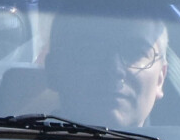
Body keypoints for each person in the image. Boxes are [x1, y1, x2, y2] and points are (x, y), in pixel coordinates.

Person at [41, 15, 169, 130]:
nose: (115, 69)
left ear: (160, 78)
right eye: (90, 51)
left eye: (136, 53)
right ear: (54, 71)